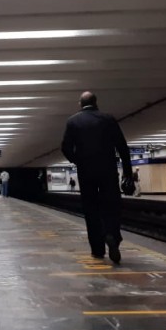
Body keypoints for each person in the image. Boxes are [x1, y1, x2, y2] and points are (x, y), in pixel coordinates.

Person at [61, 91, 132, 264]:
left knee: (91, 209)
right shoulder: (108, 119)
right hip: (108, 170)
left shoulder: (73, 121)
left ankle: (97, 249)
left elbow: (65, 147)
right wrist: (128, 173)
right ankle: (112, 235)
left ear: (80, 104)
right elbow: (122, 146)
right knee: (111, 205)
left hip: (86, 172)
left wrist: (79, 161)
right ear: (96, 102)